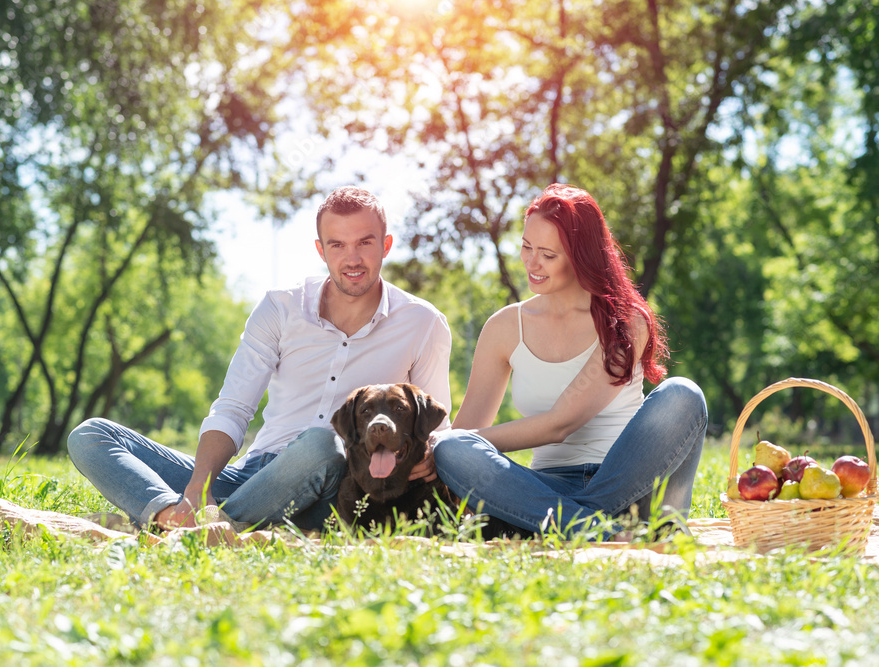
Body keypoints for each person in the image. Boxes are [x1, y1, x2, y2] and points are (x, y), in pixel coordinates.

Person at [68, 186, 452, 531]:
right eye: (337, 245)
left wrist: (430, 452)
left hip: (338, 481)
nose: (352, 259)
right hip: (253, 477)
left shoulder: (423, 323)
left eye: (364, 243)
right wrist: (197, 489)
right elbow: (233, 408)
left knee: (322, 444)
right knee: (91, 435)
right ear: (321, 249)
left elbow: (436, 429)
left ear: (385, 246)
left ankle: (205, 527)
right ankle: (176, 516)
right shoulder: (282, 307)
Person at [432, 183, 707, 538]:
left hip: (631, 486)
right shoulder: (504, 327)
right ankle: (600, 530)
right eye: (526, 247)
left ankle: (572, 524)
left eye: (548, 254)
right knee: (452, 447)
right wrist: (441, 450)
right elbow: (464, 433)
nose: (532, 263)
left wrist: (456, 444)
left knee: (683, 394)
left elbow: (561, 423)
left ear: (580, 255)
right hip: (544, 491)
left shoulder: (626, 320)